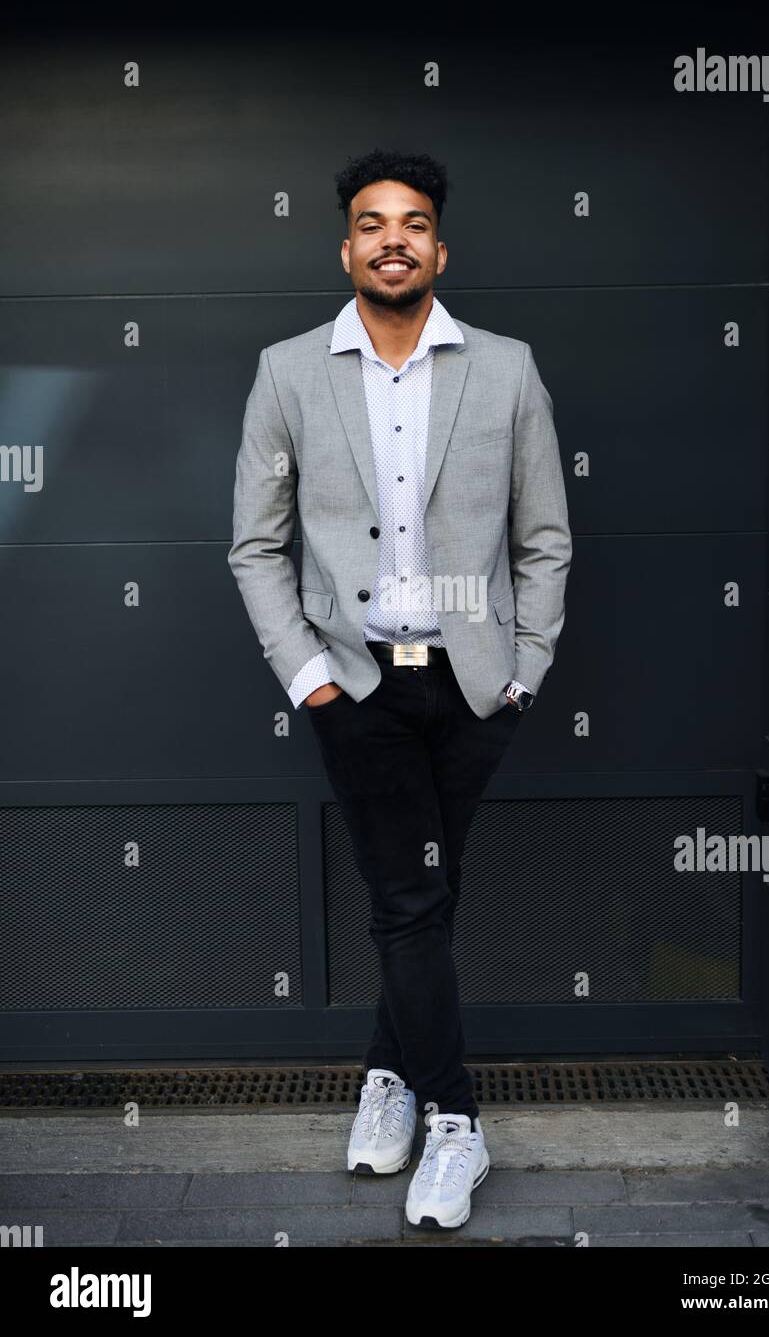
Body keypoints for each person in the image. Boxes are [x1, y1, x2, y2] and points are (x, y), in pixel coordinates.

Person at [228, 148, 572, 1229]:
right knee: (411, 899)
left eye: (412, 223)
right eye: (372, 223)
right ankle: (455, 1122)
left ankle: (385, 1076)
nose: (392, 239)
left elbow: (545, 537)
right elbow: (254, 544)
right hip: (359, 684)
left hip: (472, 687)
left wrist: (523, 670)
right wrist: (310, 676)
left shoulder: (506, 369)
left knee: (421, 896)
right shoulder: (287, 372)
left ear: (437, 247)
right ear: (345, 246)